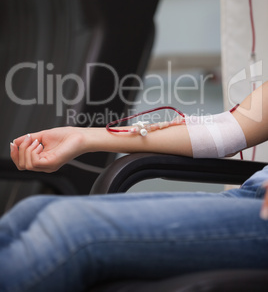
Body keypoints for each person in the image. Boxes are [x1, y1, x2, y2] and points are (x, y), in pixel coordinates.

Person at [1, 82, 268, 291]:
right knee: (33, 211)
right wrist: (81, 137)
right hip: (250, 196)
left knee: (70, 228)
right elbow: (227, 131)